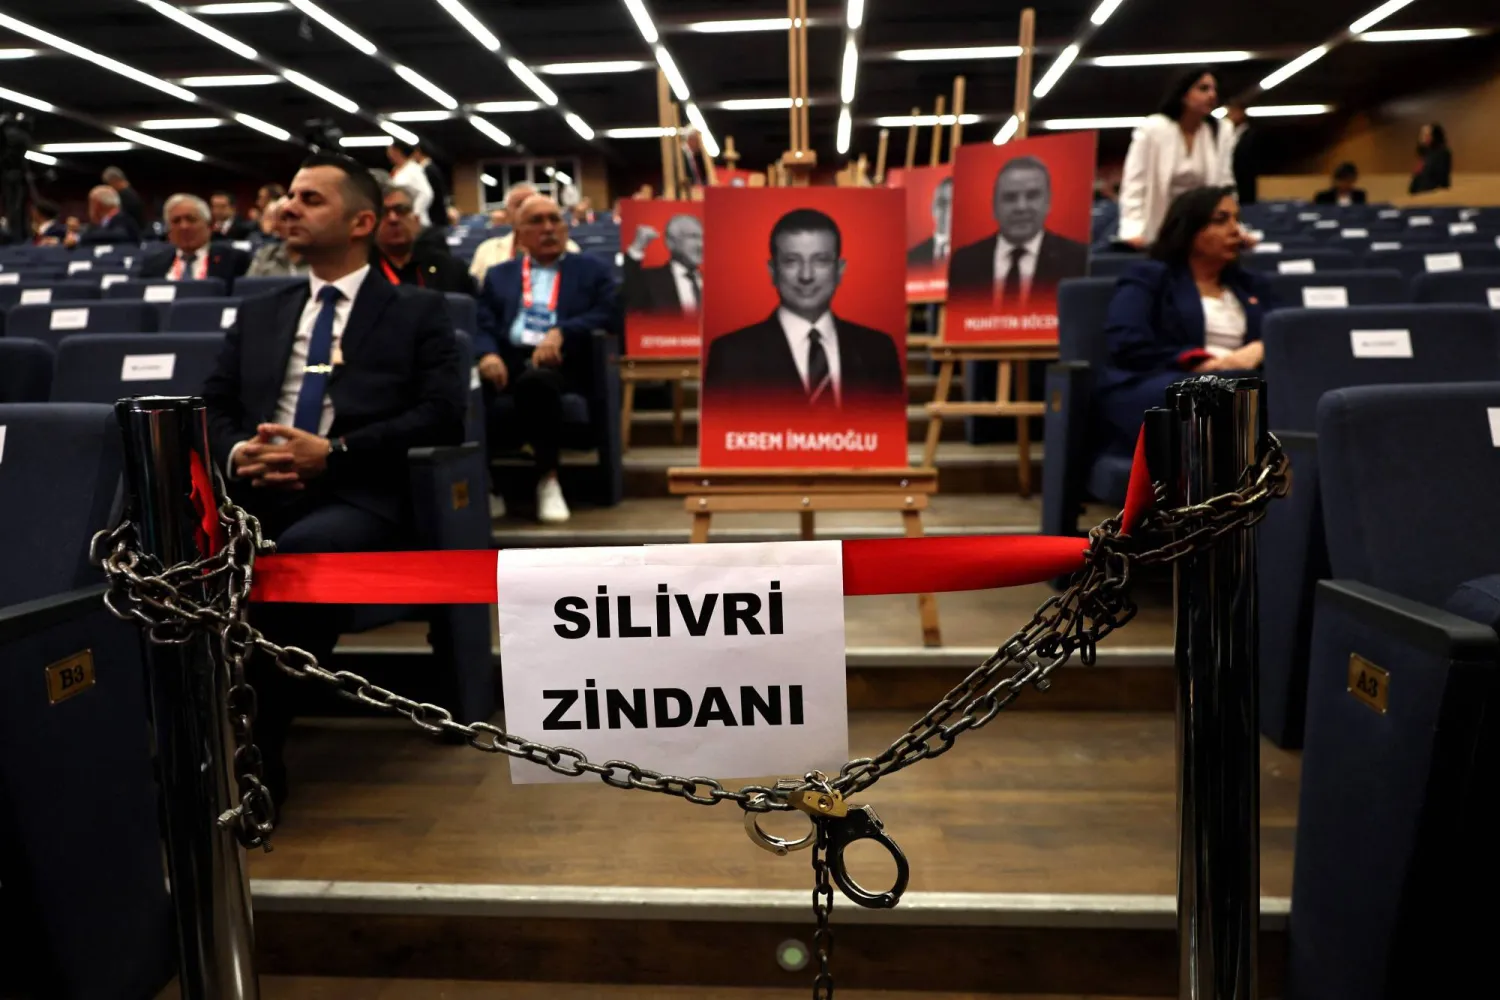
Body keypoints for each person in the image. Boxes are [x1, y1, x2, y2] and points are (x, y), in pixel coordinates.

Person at [200, 152, 466, 803]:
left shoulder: (418, 309)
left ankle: (251, 757)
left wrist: (336, 451)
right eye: (289, 194)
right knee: (151, 549)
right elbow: (214, 403)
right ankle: (174, 732)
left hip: (361, 493)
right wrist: (238, 453)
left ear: (362, 221)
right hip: (252, 490)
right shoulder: (262, 310)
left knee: (297, 559)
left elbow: (441, 416)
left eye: (310, 199)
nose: (288, 206)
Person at [1095, 185, 1273, 457]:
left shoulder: (1250, 285)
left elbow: (1289, 333)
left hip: (1240, 383)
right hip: (1161, 382)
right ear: (1189, 228)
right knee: (1236, 388)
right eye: (1221, 220)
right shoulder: (1149, 277)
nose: (1236, 230)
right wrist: (1203, 362)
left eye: (1237, 219)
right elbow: (1127, 341)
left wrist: (1260, 347)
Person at [474, 194, 619, 524]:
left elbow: (609, 313)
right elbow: (481, 322)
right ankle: (487, 483)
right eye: (536, 221)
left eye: (555, 219)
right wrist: (486, 354)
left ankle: (548, 480)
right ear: (519, 232)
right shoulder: (500, 275)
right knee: (468, 384)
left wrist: (563, 331)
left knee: (537, 383)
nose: (549, 228)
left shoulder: (591, 270)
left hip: (564, 363)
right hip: (509, 361)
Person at [703, 208, 903, 410]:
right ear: (773, 271)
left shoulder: (879, 350)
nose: (806, 275)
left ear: (840, 270)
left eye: (821, 261)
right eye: (791, 261)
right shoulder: (730, 355)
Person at [947, 156, 1089, 307]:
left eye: (1032, 196)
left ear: (1048, 202)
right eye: (1010, 197)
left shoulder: (1078, 260)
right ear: (994, 206)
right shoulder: (963, 262)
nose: (1021, 207)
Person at [1117, 67, 1233, 248]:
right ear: (1183, 94)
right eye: (1203, 89)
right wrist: (1133, 230)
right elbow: (1134, 184)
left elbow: (1225, 185)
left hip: (1204, 231)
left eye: (1213, 90)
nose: (1212, 95)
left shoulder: (1220, 131)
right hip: (1159, 227)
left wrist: (1232, 226)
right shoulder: (1152, 129)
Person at [468, 184, 580, 283]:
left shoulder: (569, 248)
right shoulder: (486, 250)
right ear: (507, 214)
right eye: (519, 204)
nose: (526, 209)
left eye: (532, 203)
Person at [372, 184, 473, 293]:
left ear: (416, 220)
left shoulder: (451, 270)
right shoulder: (362, 273)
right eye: (383, 212)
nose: (393, 219)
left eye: (401, 210)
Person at [138, 194, 251, 284]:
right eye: (176, 221)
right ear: (169, 231)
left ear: (208, 225)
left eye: (191, 219)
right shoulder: (152, 265)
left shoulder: (234, 261)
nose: (184, 227)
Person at [624, 213, 703, 313]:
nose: (701, 244)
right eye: (693, 237)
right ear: (671, 242)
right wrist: (637, 247)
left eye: (703, 237)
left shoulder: (715, 281)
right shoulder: (648, 280)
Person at [246, 198, 309, 278]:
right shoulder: (265, 256)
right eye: (285, 218)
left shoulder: (323, 258)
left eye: (299, 218)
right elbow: (250, 288)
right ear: (276, 225)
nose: (292, 224)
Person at [71, 185, 142, 246]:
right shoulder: (102, 223)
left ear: (97, 206)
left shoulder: (124, 219)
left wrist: (79, 238)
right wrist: (77, 230)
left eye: (90, 205)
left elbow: (116, 235)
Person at [906, 176, 953, 267]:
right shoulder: (912, 257)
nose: (947, 209)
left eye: (952, 202)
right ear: (932, 208)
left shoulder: (975, 256)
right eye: (942, 202)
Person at [386, 140, 434, 224]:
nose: (388, 154)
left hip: (416, 220)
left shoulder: (413, 169)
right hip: (400, 218)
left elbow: (427, 193)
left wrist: (416, 212)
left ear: (397, 151)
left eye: (389, 150)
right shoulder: (397, 170)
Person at [1222, 102, 1258, 206]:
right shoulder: (1228, 134)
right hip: (1230, 181)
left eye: (1232, 112)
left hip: (1245, 182)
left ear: (1241, 113)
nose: (1229, 116)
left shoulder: (1251, 135)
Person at [413, 145, 449, 230]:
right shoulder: (432, 168)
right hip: (437, 215)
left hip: (434, 216)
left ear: (419, 153)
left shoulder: (428, 170)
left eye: (415, 153)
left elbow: (433, 194)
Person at [1410, 123, 1451, 194]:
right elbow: (1419, 174)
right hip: (1420, 193)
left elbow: (1441, 176)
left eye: (1426, 135)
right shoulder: (1426, 154)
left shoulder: (1442, 153)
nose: (1422, 138)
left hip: (1433, 193)